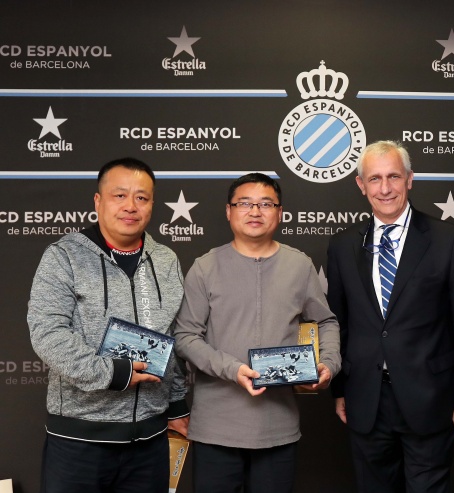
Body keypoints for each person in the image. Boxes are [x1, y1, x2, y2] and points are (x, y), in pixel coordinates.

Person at [327, 140, 454, 493]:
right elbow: (339, 324)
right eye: (375, 178)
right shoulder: (342, 245)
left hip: (430, 399)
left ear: (410, 179)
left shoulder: (447, 239)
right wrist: (340, 390)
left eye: (394, 177)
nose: (385, 188)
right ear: (361, 184)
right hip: (365, 400)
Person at [28, 157, 189, 493]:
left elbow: (172, 337)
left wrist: (176, 405)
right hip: (79, 440)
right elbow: (48, 333)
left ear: (152, 204)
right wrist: (115, 372)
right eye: (120, 195)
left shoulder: (166, 260)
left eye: (142, 197)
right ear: (98, 201)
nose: (131, 206)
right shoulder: (64, 256)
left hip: (151, 440)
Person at [174, 173, 340, 493]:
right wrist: (233, 369)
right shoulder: (205, 267)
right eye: (244, 203)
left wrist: (329, 364)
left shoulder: (299, 265)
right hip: (216, 428)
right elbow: (185, 337)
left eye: (266, 204)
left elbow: (325, 322)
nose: (254, 211)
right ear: (229, 211)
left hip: (277, 427)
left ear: (280, 213)